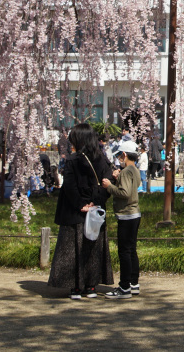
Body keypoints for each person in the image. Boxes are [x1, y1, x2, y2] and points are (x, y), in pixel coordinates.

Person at [48, 122, 113, 300]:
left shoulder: (73, 160)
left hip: (75, 211)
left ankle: (75, 286)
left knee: (73, 247)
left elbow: (68, 185)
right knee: (93, 247)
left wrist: (80, 204)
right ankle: (91, 286)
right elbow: (107, 183)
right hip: (95, 211)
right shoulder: (102, 159)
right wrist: (96, 201)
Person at [101, 150, 141, 299]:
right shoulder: (134, 170)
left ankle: (124, 287)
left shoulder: (125, 171)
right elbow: (131, 187)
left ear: (124, 155)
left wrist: (109, 186)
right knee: (131, 250)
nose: (119, 159)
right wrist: (118, 179)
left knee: (124, 251)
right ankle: (133, 283)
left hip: (126, 214)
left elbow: (124, 193)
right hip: (135, 213)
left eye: (119, 156)